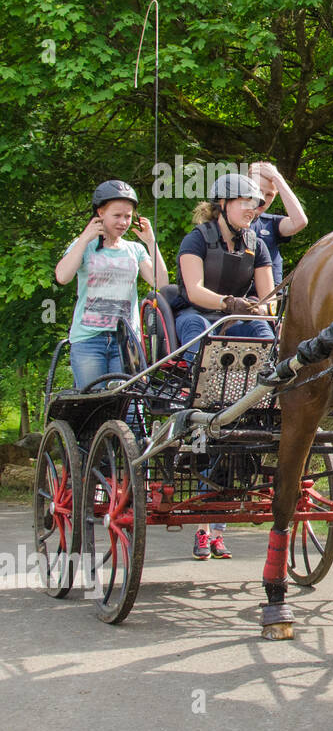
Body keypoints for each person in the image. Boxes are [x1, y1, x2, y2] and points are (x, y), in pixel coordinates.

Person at [173, 172, 275, 561]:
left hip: (238, 315)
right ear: (223, 205)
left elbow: (269, 300)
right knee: (202, 333)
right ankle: (201, 389)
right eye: (246, 203)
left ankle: (262, 393)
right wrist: (230, 302)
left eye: (256, 204)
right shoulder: (196, 239)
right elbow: (195, 290)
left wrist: (258, 308)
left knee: (266, 335)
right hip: (197, 314)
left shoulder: (258, 245)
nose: (254, 209)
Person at [54, 180, 167, 392]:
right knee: (93, 404)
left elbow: (161, 283)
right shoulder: (84, 247)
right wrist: (85, 237)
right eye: (117, 215)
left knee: (130, 404)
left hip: (125, 341)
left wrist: (151, 242)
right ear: (100, 213)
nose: (123, 222)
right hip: (89, 340)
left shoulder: (135, 250)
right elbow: (62, 276)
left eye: (128, 216)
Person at [247, 162, 308, 285]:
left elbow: (300, 222)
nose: (262, 199)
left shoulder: (271, 223)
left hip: (271, 299)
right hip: (236, 299)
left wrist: (277, 179)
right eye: (257, 190)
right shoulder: (226, 221)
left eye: (269, 194)